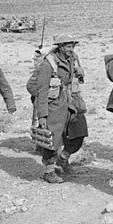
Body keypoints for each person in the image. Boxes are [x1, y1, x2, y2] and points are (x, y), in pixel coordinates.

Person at [33, 35, 88, 183]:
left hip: (71, 102)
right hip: (54, 106)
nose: (71, 50)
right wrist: (42, 115)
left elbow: (75, 80)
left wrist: (80, 74)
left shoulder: (73, 60)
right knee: (53, 140)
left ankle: (63, 159)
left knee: (79, 133)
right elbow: (42, 91)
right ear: (61, 47)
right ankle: (49, 171)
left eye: (73, 46)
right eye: (69, 47)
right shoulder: (47, 65)